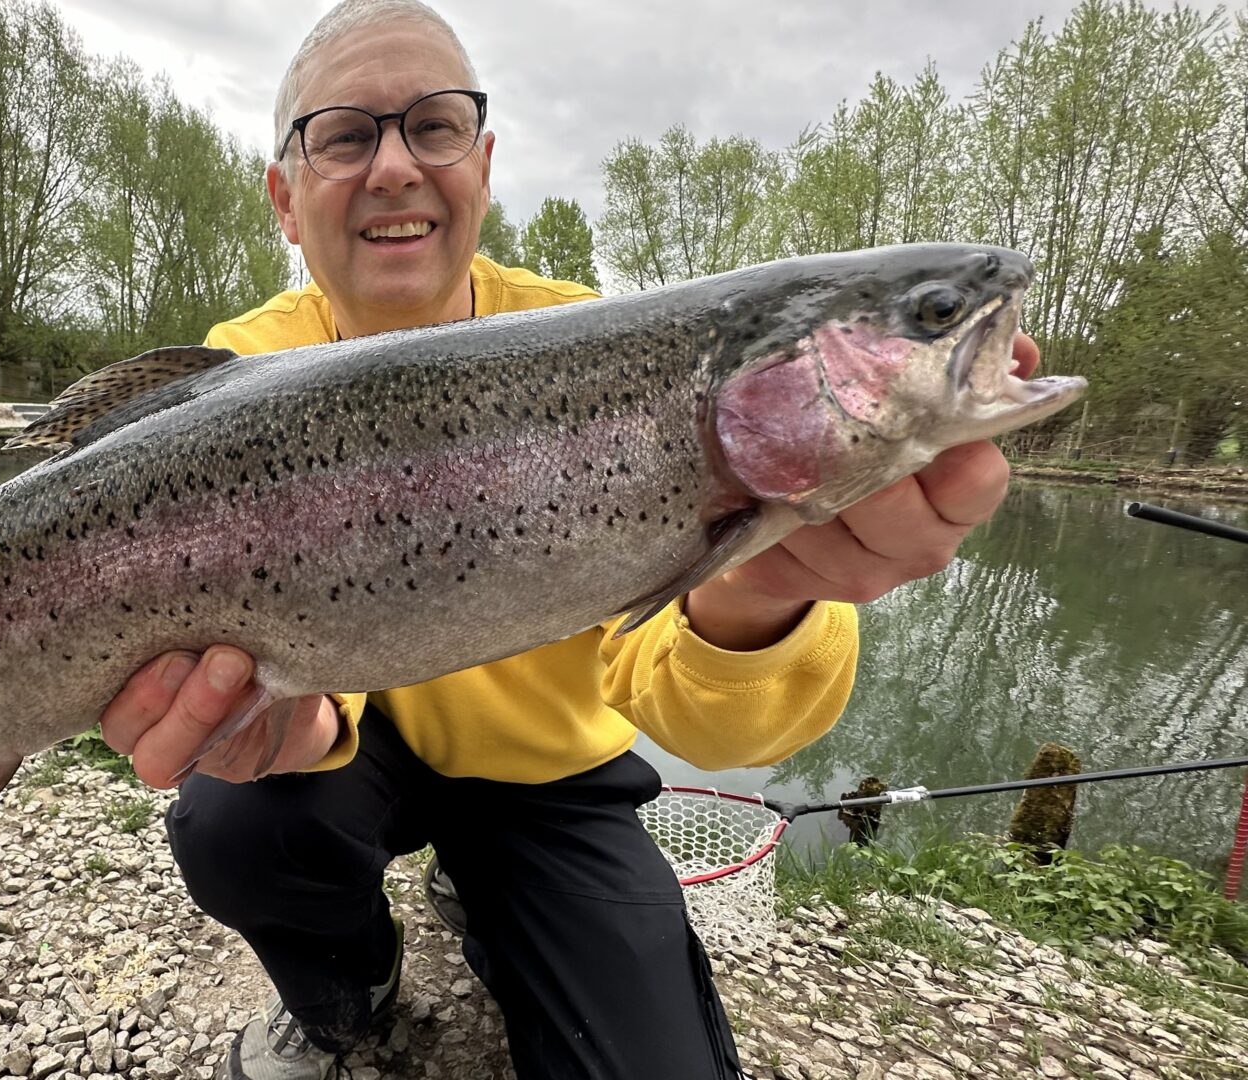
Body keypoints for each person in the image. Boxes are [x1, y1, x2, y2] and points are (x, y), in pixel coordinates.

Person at [98, 2, 1042, 1078]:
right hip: (353, 755)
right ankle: (348, 994)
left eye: (435, 126)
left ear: (483, 165)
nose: (396, 166)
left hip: (547, 778)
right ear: (284, 195)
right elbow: (305, 657)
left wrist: (747, 596)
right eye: (347, 135)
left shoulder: (602, 345)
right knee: (239, 825)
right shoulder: (239, 373)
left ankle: (490, 895)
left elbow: (690, 709)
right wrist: (294, 726)